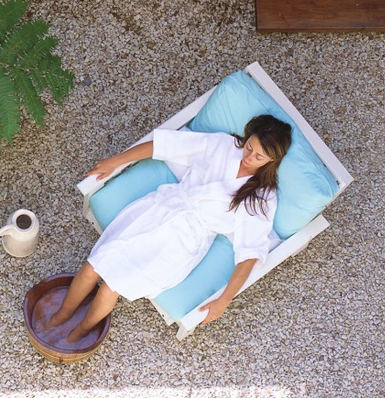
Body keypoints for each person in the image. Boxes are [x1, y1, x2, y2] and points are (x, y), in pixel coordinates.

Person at [46, 114, 292, 345]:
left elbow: (249, 253)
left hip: (185, 242)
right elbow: (167, 146)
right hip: (163, 209)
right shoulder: (224, 145)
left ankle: (78, 334)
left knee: (112, 286)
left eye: (259, 157)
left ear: (273, 161)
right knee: (92, 268)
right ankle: (59, 316)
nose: (248, 157)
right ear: (248, 136)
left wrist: (224, 301)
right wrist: (115, 161)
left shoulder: (262, 197)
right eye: (250, 146)